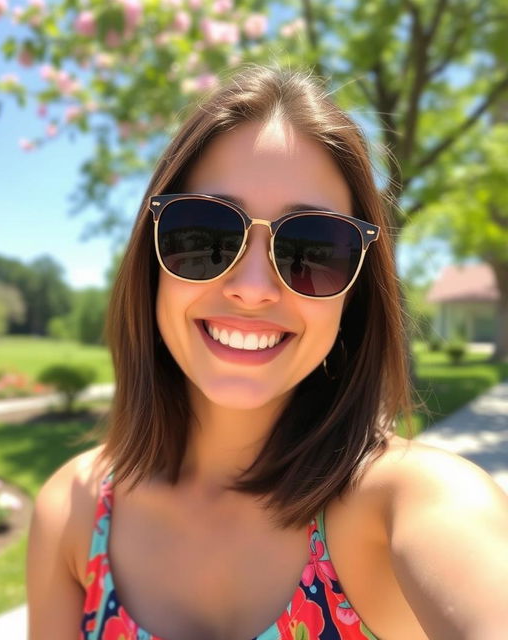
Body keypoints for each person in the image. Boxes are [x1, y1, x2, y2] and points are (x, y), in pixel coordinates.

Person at [26, 66, 508, 640]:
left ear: (353, 295)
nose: (252, 287)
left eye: (313, 247)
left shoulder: (415, 503)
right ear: (151, 262)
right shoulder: (73, 512)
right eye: (205, 235)